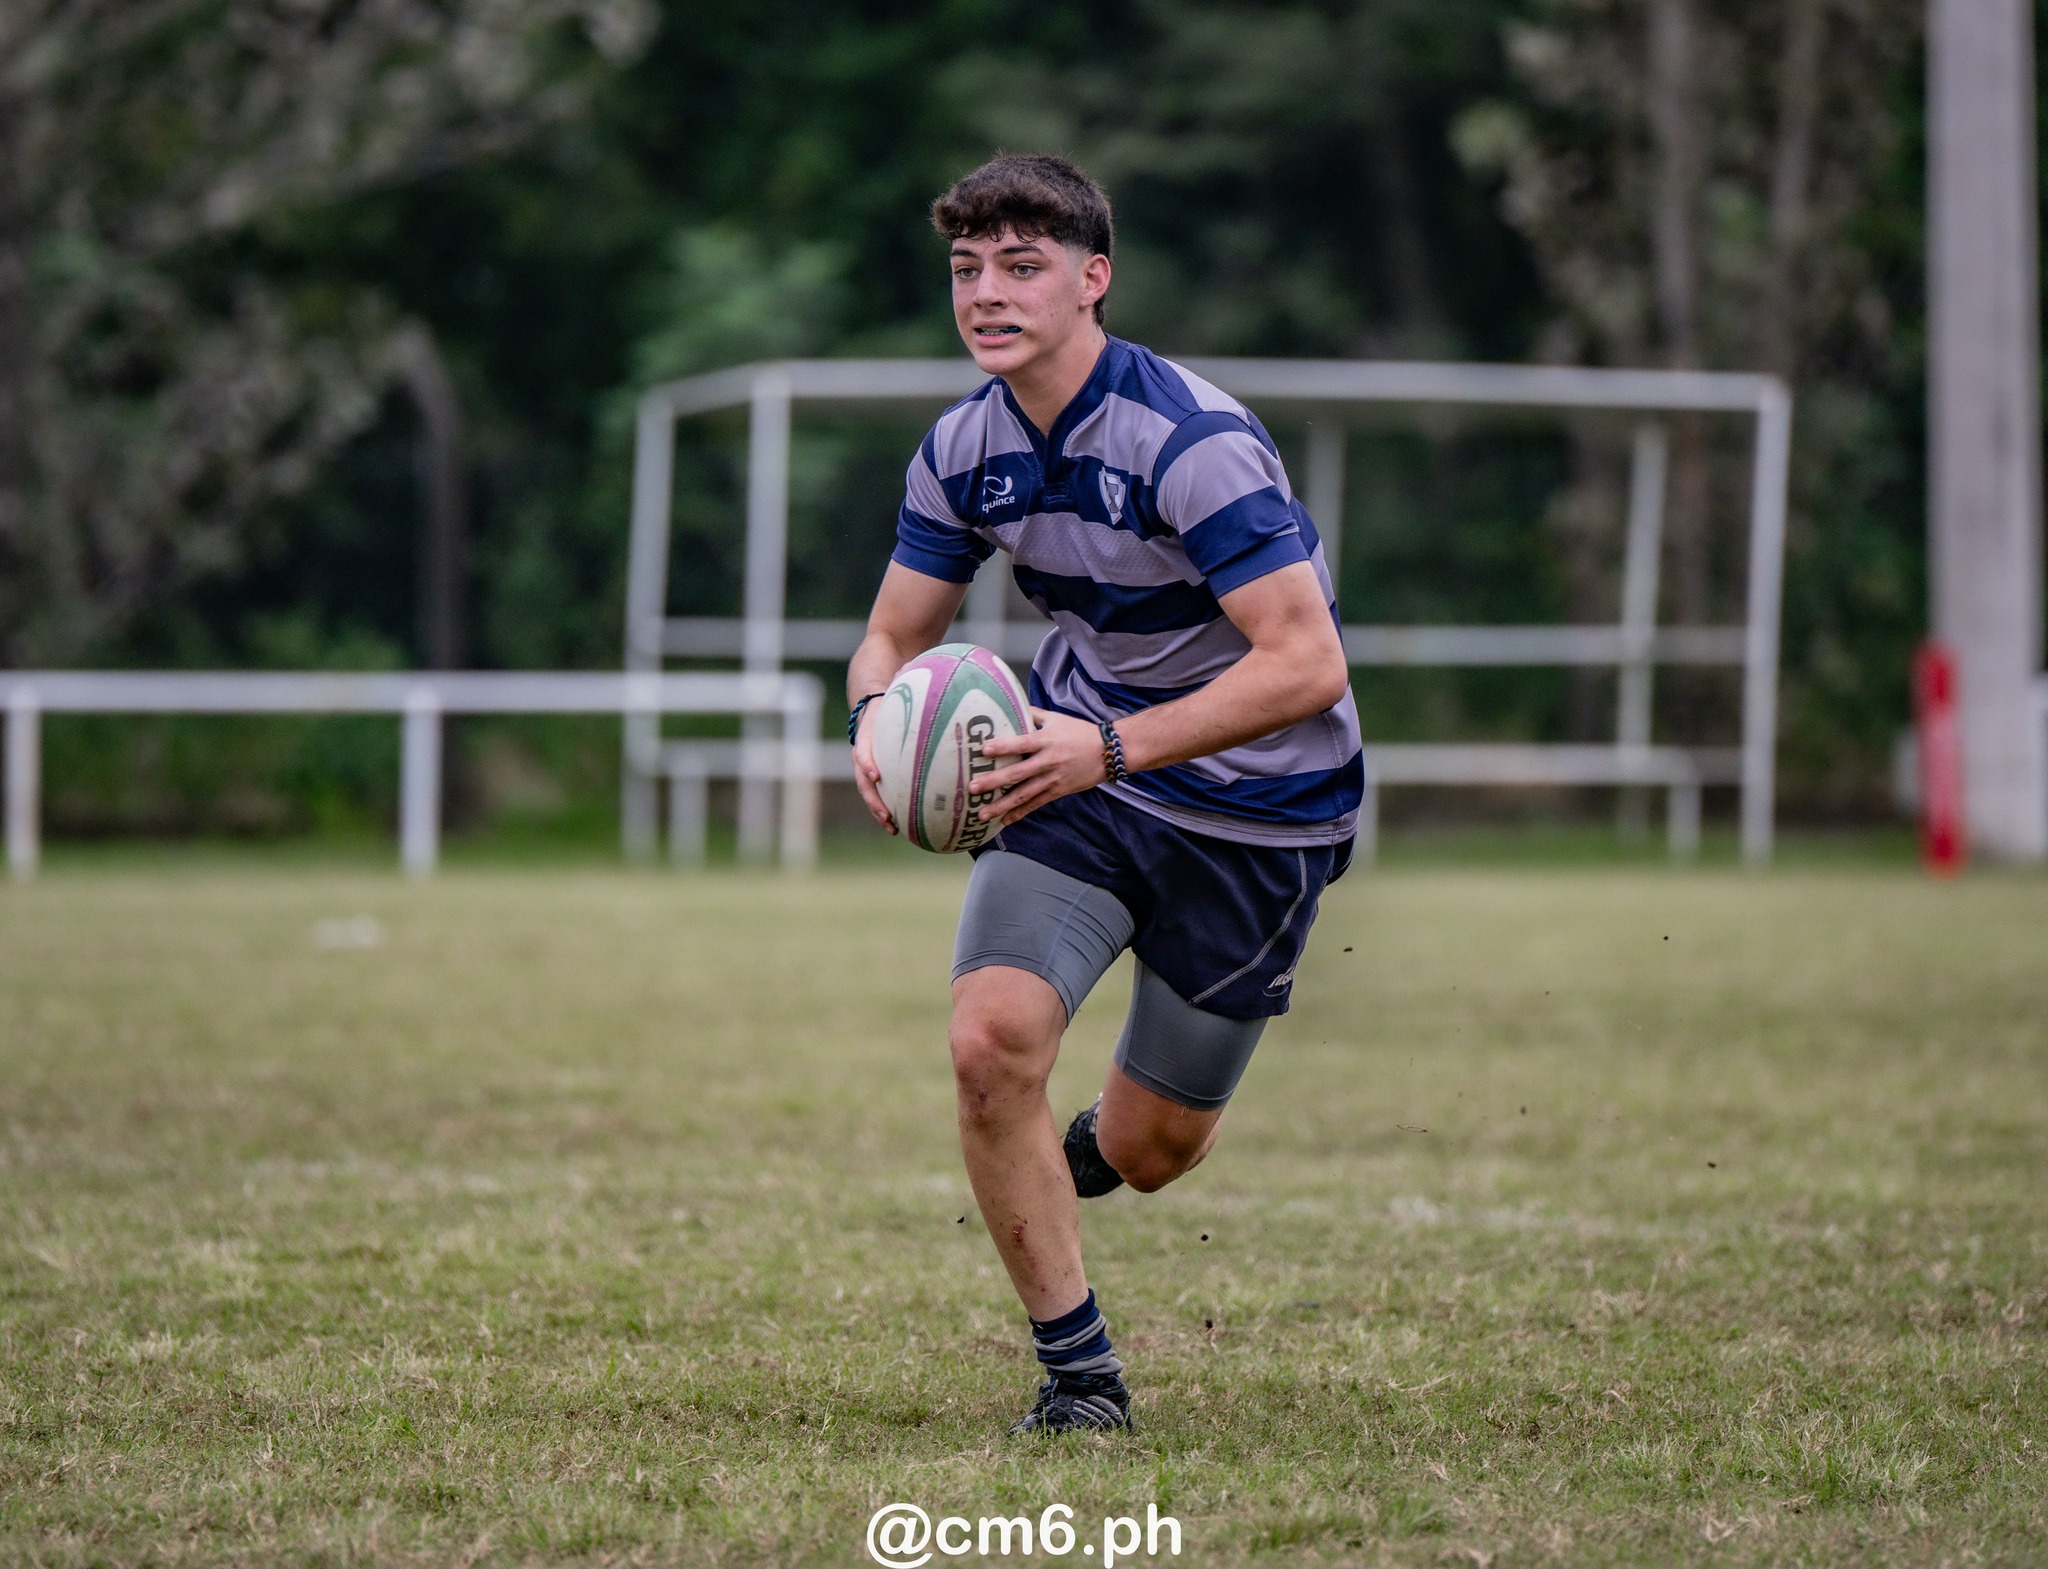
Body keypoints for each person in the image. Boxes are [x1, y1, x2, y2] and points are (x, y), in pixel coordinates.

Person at [847, 153, 1361, 1435]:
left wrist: (1114, 747)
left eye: (1020, 266)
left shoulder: (1192, 443)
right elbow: (891, 637)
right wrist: (874, 724)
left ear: (1093, 280)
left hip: (1257, 810)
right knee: (988, 1048)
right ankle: (1079, 1382)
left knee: (1151, 1152)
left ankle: (1086, 1152)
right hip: (1072, 776)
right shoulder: (962, 449)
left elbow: (1306, 665)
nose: (985, 293)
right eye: (966, 268)